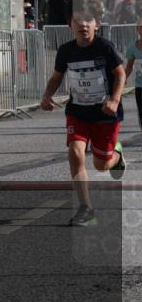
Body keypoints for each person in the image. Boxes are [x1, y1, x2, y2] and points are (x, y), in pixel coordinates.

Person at [41, 12, 127, 226]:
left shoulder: (104, 47)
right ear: (70, 25)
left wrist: (114, 100)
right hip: (78, 112)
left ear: (96, 24)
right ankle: (85, 207)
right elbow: (56, 78)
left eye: (88, 20)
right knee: (75, 151)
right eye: (78, 21)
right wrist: (46, 95)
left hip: (105, 114)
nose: (83, 25)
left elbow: (120, 74)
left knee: (102, 164)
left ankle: (117, 157)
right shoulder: (66, 51)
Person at [126, 20, 142, 133]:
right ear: (137, 29)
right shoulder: (132, 47)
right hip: (140, 86)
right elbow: (129, 67)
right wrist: (123, 79)